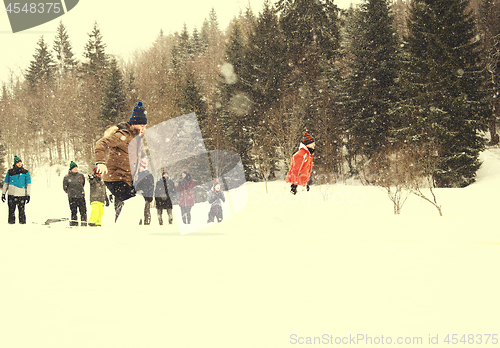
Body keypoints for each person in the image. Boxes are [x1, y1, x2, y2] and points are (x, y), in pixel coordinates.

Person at [95, 101, 147, 222]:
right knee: (132, 203)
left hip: (127, 180)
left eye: (145, 126)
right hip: (115, 178)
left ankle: (125, 230)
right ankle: (121, 231)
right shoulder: (123, 135)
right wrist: (100, 162)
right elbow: (101, 143)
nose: (144, 129)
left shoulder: (137, 140)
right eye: (142, 126)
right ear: (134, 124)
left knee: (137, 203)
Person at [2, 155, 31, 224]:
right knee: (11, 212)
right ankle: (11, 226)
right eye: (18, 163)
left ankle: (22, 226)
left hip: (21, 195)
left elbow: (28, 184)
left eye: (20, 162)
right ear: (15, 164)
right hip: (11, 195)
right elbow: (6, 183)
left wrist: (28, 195)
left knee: (22, 212)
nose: (19, 164)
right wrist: (3, 193)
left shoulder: (26, 172)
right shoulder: (10, 172)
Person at [63, 161, 87, 227]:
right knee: (73, 212)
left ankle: (84, 224)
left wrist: (80, 191)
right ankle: (74, 225)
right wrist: (70, 192)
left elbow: (83, 184)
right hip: (72, 197)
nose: (76, 169)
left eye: (76, 168)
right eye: (74, 168)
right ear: (71, 169)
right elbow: (65, 187)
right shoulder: (66, 177)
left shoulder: (81, 175)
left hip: (81, 196)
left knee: (83, 211)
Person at [134, 158, 154, 225]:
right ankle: (139, 223)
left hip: (146, 196)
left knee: (146, 211)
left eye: (141, 166)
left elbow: (151, 187)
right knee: (139, 211)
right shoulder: (136, 175)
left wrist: (150, 196)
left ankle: (147, 222)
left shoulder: (149, 175)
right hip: (138, 196)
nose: (139, 168)